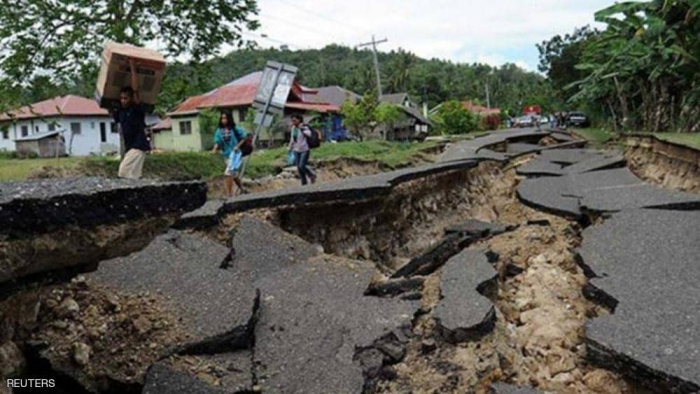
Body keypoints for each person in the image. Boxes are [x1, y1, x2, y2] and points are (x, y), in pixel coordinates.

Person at [114, 58, 149, 179]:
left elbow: (136, 90)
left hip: (138, 146)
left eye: (126, 98)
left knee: (123, 172)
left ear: (131, 99)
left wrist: (132, 67)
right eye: (121, 98)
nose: (123, 101)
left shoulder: (137, 109)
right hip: (130, 147)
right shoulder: (120, 111)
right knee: (133, 177)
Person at [212, 110, 247, 197]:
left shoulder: (235, 129)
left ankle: (229, 195)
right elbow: (217, 141)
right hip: (227, 155)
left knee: (228, 173)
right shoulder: (219, 131)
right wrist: (214, 149)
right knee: (234, 175)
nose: (224, 120)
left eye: (226, 118)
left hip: (235, 155)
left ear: (229, 119)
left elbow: (244, 137)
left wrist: (237, 146)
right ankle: (242, 189)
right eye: (222, 118)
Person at [288, 114, 316, 185]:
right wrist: (290, 147)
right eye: (292, 121)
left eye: (295, 120)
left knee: (302, 165)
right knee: (299, 168)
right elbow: (292, 139)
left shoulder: (304, 127)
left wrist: (302, 128)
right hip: (296, 150)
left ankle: (311, 175)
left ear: (299, 120)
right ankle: (304, 183)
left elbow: (309, 134)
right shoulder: (293, 128)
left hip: (304, 150)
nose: (293, 122)